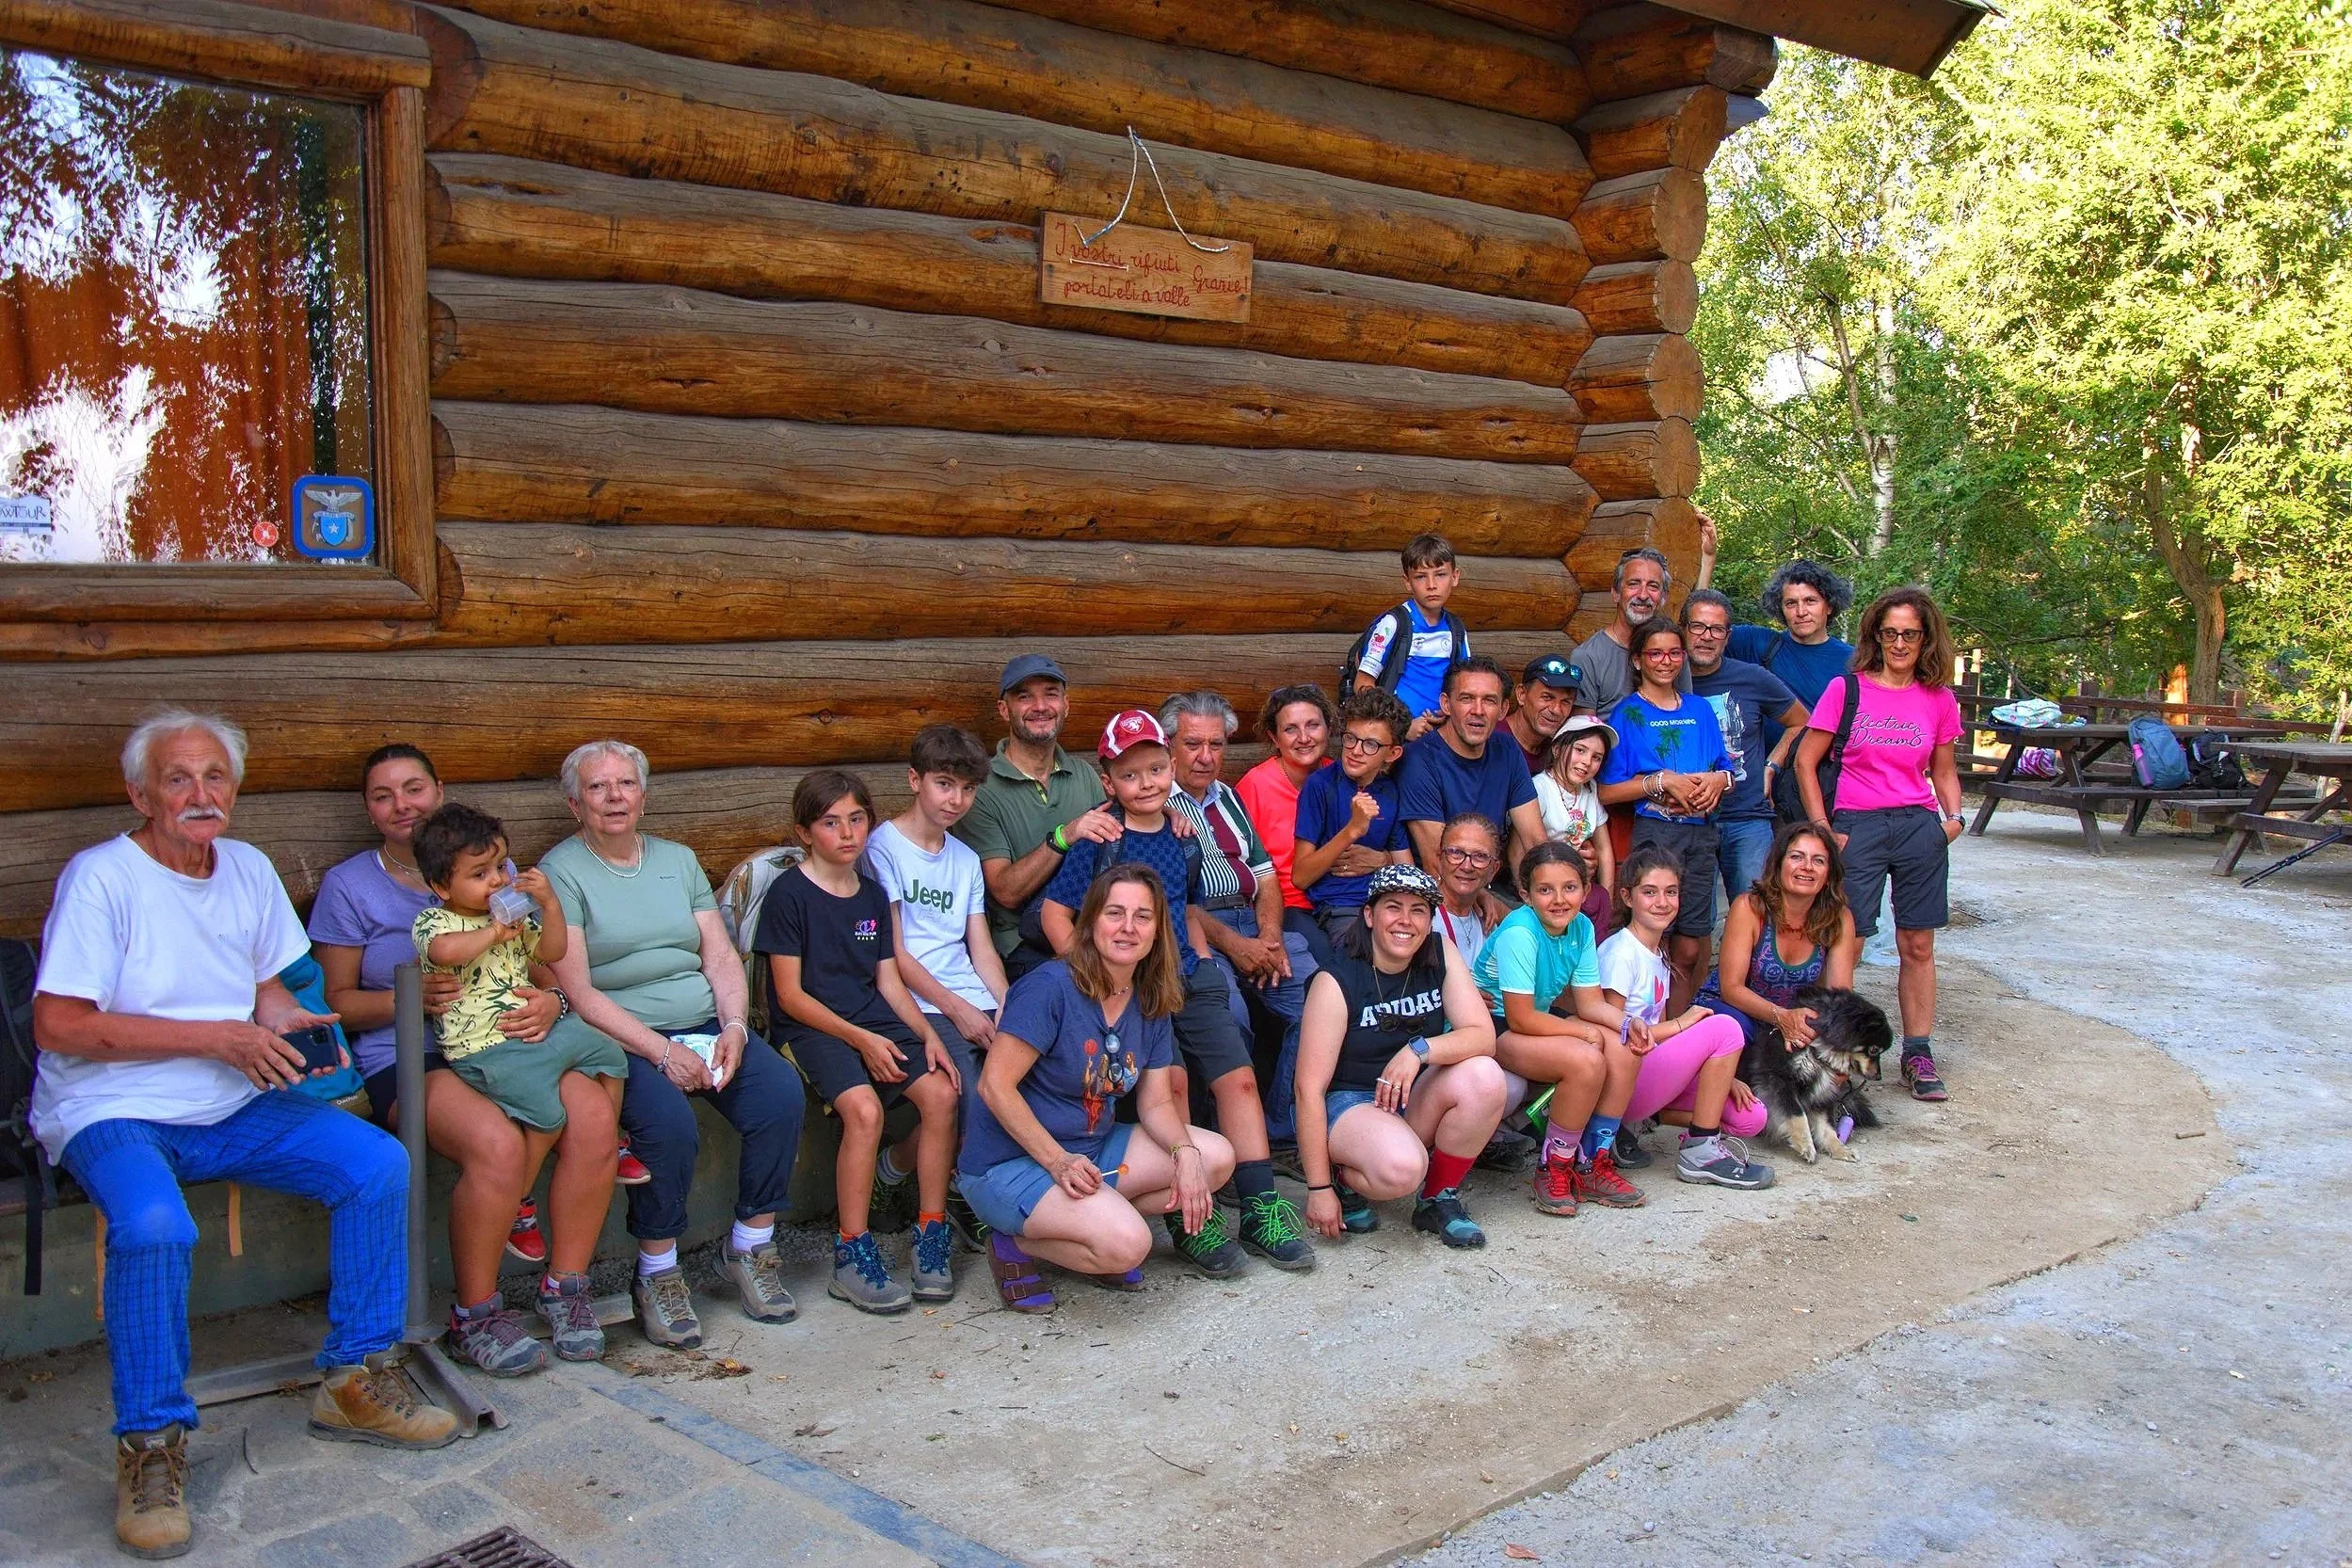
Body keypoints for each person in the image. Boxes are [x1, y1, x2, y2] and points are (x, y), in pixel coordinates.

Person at [31, 712, 456, 1559]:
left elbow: (262, 988)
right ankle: (150, 1444)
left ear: (236, 787)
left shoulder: (248, 867)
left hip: (231, 1099)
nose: (200, 794)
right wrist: (213, 1038)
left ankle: (355, 1379)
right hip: (113, 1107)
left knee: (375, 1162)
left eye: (215, 777)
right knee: (154, 1227)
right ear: (140, 794)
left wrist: (292, 1022)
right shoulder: (103, 878)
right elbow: (59, 1024)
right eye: (178, 778)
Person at [310, 744, 608, 1379]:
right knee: (496, 1145)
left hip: (506, 1036)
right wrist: (408, 1000)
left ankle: (566, 1289)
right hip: (410, 1055)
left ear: (438, 789)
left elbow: (537, 962)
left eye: (413, 788)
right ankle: (474, 1314)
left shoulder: (493, 871)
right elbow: (336, 1003)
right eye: (383, 795)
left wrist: (552, 1001)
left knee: (591, 1115)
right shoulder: (348, 886)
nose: (401, 805)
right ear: (367, 808)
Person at [541, 740, 808, 1348]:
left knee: (777, 1095)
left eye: (625, 784)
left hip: (704, 1023)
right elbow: (578, 991)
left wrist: (736, 1026)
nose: (614, 797)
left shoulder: (678, 860)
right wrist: (659, 1053)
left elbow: (717, 955)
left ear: (644, 794)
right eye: (597, 787)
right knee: (667, 1127)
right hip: (620, 1036)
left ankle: (749, 1248)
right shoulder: (560, 872)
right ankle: (657, 1271)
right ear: (573, 804)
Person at [1042, 711, 1313, 1273]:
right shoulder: (1101, 838)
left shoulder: (1182, 833)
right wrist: (1089, 974)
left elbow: (1184, 904)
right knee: (1175, 1085)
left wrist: (1207, 960)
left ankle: (1261, 1203)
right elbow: (1054, 913)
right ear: (1107, 779)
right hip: (1128, 985)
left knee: (1237, 1078)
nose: (1148, 783)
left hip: (1187, 971)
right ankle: (1193, 1217)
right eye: (1131, 773)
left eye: (1157, 769)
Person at [961, 865, 1238, 1313]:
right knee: (1129, 1246)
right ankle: (1014, 1245)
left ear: (1157, 931)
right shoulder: (1050, 988)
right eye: (1115, 913)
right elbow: (994, 1087)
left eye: (1143, 917)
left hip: (1091, 1150)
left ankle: (1092, 1225)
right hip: (1009, 1164)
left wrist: (1185, 1154)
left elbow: (1157, 1100)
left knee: (1214, 1158)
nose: (1128, 927)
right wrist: (1057, 1160)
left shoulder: (1149, 996)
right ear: (1090, 922)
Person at [410, 803, 630, 1358]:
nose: (497, 882)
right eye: (480, 874)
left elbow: (551, 956)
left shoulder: (516, 915)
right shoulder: (440, 921)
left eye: (501, 868)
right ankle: (480, 1304)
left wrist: (548, 905)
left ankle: (564, 1288)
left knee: (609, 1061)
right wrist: (492, 930)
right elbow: (444, 953)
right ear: (441, 885)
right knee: (544, 1117)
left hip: (533, 1035)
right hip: (483, 1048)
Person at [758, 770, 963, 1313]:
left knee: (942, 1094)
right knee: (865, 1111)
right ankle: (851, 1253)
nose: (846, 833)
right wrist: (861, 1039)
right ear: (805, 832)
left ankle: (931, 1232)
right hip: (811, 1027)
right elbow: (791, 996)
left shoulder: (871, 893)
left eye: (856, 820)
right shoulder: (789, 894)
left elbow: (889, 980)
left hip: (871, 1016)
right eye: (830, 823)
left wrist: (928, 1034)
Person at [1795, 586, 1965, 1102]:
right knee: (1851, 939)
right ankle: (1836, 1052)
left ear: (1925, 638)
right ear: (1875, 635)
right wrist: (1823, 825)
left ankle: (1917, 1052)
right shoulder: (1847, 690)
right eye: (1889, 633)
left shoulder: (1938, 698)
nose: (1899, 643)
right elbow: (1806, 761)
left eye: (1909, 634)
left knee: (1918, 943)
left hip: (1918, 826)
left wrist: (1952, 821)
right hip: (1858, 824)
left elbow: (1944, 770)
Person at [1294, 865, 1505, 1248]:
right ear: (1370, 915)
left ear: (1430, 920)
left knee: (1485, 1075)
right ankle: (1345, 1180)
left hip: (1408, 1091)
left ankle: (1437, 1197)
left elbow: (1482, 1036)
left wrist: (1419, 1050)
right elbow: (1308, 1090)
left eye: (1419, 910)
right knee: (1402, 1170)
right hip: (1349, 1103)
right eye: (1393, 907)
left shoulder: (1440, 951)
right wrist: (1318, 1185)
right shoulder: (1336, 980)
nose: (1405, 921)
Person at [864, 725, 1009, 1246]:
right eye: (945, 784)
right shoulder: (883, 848)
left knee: (1019, 1076)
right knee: (968, 1090)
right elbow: (895, 953)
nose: (956, 800)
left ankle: (954, 1180)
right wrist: (959, 1010)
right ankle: (944, 1186)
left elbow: (981, 947)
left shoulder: (965, 859)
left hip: (968, 993)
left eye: (968, 789)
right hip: (918, 1000)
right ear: (914, 780)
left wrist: (1007, 1005)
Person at [1160, 691, 1318, 1146]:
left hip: (1254, 923)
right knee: (1226, 1018)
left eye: (1216, 744)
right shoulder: (1157, 802)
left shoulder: (1228, 796)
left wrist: (1269, 937)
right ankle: (1222, 1145)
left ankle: (1280, 1131)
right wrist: (1238, 946)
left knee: (1318, 1007)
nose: (1207, 757)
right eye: (1193, 744)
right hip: (1200, 933)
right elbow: (1178, 902)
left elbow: (1266, 876)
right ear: (1170, 744)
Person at [1471, 840, 1634, 1215]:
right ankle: (1554, 1167)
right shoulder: (1520, 933)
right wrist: (1581, 1033)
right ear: (1526, 894)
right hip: (1491, 1026)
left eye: (1570, 888)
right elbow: (1520, 1018)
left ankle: (1594, 1161)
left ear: (1586, 890)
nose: (1559, 899)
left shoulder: (1580, 928)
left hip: (1532, 1019)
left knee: (1622, 1045)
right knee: (1585, 1061)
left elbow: (1591, 1004)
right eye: (1545, 890)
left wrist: (1629, 1022)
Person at [1597, 846, 1775, 1190]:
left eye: (1671, 892)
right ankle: (1701, 1153)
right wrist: (1684, 1023)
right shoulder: (1621, 952)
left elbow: (1663, 1034)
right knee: (1725, 1026)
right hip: (1621, 1081)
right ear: (1627, 897)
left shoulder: (1657, 954)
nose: (1662, 902)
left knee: (1751, 1118)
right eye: (1649, 892)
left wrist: (1718, 1074)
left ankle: (1648, 1122)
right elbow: (1611, 1031)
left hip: (1651, 1075)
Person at [1596, 618, 1735, 1014]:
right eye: (1655, 653)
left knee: (1690, 947)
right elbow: (1607, 790)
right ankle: (1644, 1028)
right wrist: (1661, 782)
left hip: (1702, 834)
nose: (1666, 661)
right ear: (1637, 660)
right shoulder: (1626, 714)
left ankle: (1677, 1029)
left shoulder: (1700, 709)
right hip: (1657, 835)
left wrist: (1717, 781)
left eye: (1675, 652)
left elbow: (1725, 768)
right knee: (1650, 936)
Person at [956, 654, 1115, 980]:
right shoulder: (982, 789)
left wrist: (1170, 811)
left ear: (1066, 704)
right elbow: (1005, 891)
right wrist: (1064, 836)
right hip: (1022, 945)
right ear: (1004, 710)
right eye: (1024, 696)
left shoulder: (1084, 774)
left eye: (1050, 693)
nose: (1040, 706)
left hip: (1089, 931)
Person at [1684, 588, 1810, 902]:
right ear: (1684, 631)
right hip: (1687, 819)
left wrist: (1773, 764)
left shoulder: (1753, 677)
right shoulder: (1666, 679)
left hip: (1747, 818)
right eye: (1698, 626)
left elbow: (1803, 721)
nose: (1706, 636)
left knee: (1756, 910)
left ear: (1727, 636)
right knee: (1691, 925)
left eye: (1717, 629)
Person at [1700, 823, 1861, 1051]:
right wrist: (1781, 1017)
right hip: (1735, 1012)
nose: (1807, 867)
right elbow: (1731, 988)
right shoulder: (1749, 908)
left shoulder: (1840, 918)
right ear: (1778, 865)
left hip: (1794, 1020)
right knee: (1734, 1029)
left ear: (1828, 875)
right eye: (1796, 857)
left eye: (1819, 861)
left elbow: (1839, 998)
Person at [1395, 657, 1545, 877]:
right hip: (1438, 895)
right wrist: (1499, 907)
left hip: (1489, 882)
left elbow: (1534, 839)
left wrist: (1551, 889)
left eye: (1489, 701)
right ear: (1446, 704)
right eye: (1467, 699)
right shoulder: (1418, 759)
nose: (1478, 710)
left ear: (1503, 709)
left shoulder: (1506, 748)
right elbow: (1440, 864)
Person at [1291, 685, 1416, 944]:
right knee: (1366, 950)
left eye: (1370, 744)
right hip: (1341, 908)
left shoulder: (1389, 792)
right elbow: (1301, 876)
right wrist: (1352, 831)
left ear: (1392, 753)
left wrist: (1382, 860)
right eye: (1351, 738)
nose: (1356, 750)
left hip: (1386, 904)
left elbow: (1407, 871)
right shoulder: (1321, 785)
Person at [1234, 682, 1338, 968]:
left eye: (1313, 725)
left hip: (1339, 900)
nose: (1304, 737)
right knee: (1331, 967)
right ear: (1274, 738)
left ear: (1328, 728)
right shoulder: (1255, 786)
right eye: (1291, 729)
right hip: (1287, 907)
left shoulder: (1339, 776)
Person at [1348, 532, 1470, 740]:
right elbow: (1364, 684)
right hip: (1397, 738)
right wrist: (1399, 727)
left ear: (1455, 577)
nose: (1431, 585)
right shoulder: (1393, 624)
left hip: (1442, 734)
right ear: (1407, 582)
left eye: (1440, 574)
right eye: (1421, 576)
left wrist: (1450, 714)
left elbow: (1466, 682)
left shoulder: (1456, 629)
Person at [1574, 546, 1689, 715]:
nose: (1643, 595)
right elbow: (1584, 734)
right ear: (1616, 593)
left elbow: (1688, 714)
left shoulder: (1672, 653)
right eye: (1634, 584)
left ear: (1663, 597)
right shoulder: (1588, 656)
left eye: (1653, 586)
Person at [1533, 713, 1618, 898]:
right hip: (1547, 887)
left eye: (1597, 757)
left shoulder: (1590, 788)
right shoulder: (1540, 788)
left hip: (1579, 885)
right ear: (1556, 749)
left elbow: (1604, 849)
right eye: (1580, 750)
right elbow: (1524, 848)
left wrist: (1608, 897)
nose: (1587, 762)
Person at [1431, 812, 1504, 969]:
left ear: (1494, 869)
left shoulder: (1488, 921)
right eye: (1456, 853)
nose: (1466, 866)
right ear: (1439, 859)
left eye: (1480, 856)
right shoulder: (1424, 918)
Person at [1503, 653, 1583, 777]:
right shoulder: (1491, 740)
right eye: (1547, 697)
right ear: (1521, 694)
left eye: (1566, 702)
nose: (1556, 710)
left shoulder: (1555, 753)